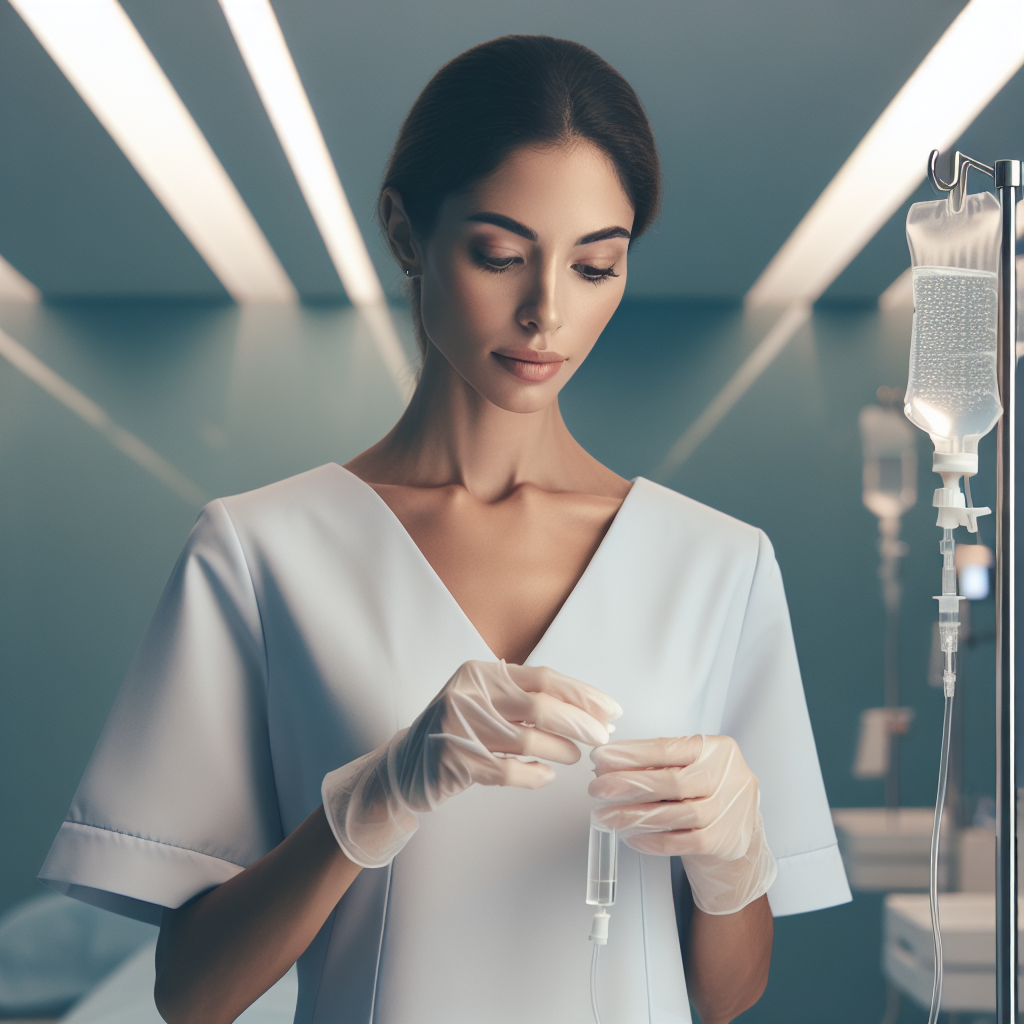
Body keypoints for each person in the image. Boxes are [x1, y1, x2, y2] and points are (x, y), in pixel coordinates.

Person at [39, 34, 850, 1024]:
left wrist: (732, 866)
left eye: (595, 265)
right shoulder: (260, 553)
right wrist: (365, 803)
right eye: (500, 255)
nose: (545, 312)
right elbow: (192, 995)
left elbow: (724, 998)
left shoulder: (717, 565)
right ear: (405, 233)